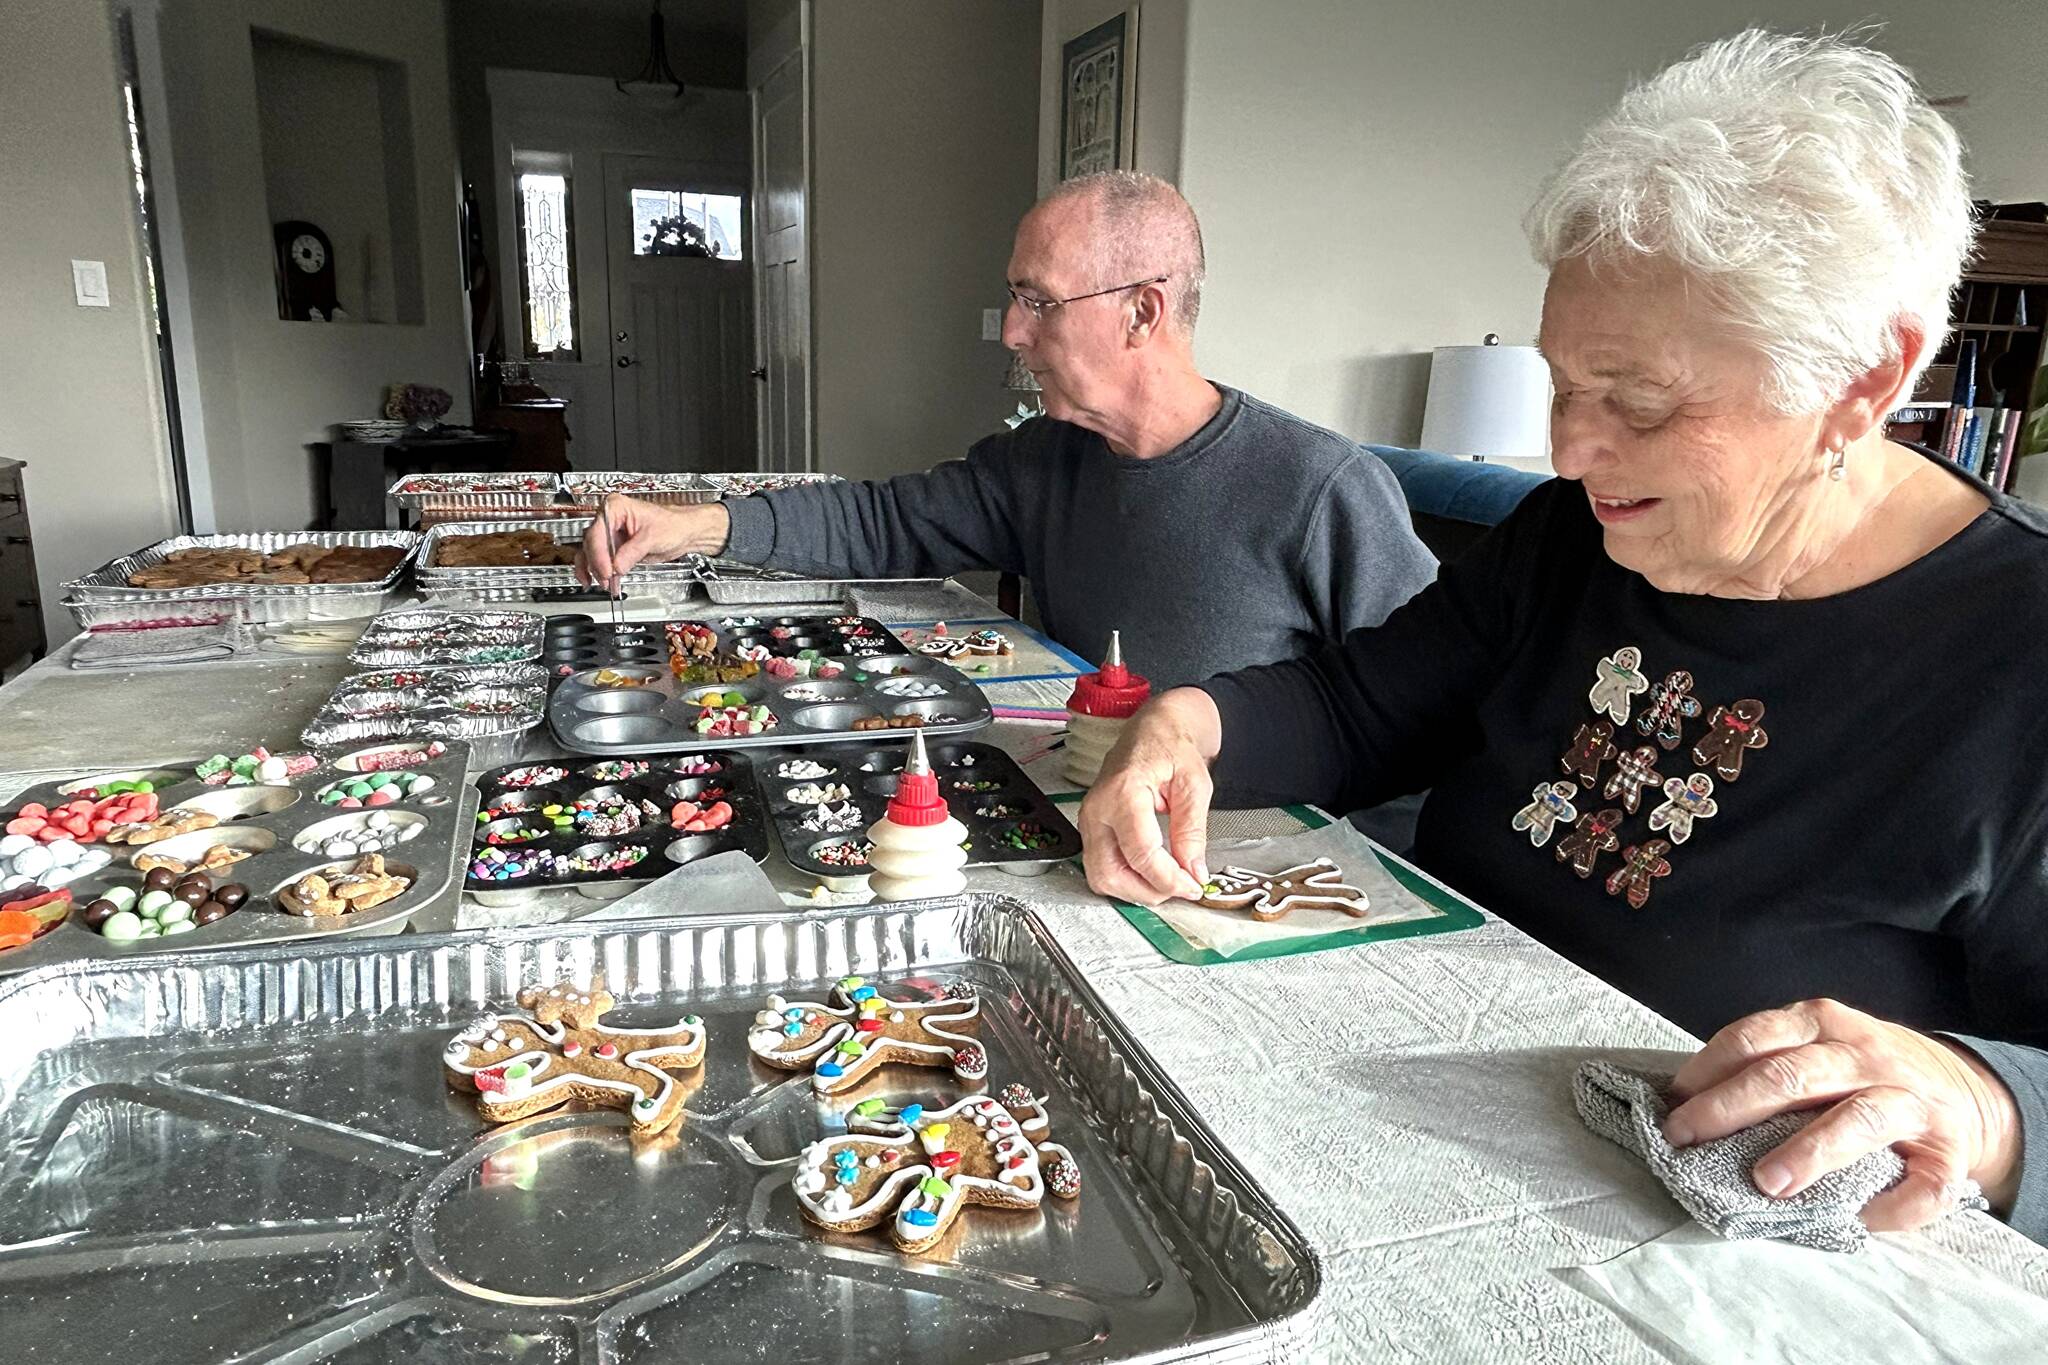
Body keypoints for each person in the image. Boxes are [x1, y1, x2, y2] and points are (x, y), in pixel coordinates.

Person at [1079, 30, 2045, 1244]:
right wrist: (1188, 723)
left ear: (1862, 378)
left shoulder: (2019, 652)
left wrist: (1981, 1103)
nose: (1570, 450)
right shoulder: (1568, 536)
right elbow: (1357, 709)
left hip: (1693, 1254)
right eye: (1563, 383)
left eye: (1638, 402)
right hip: (1397, 1127)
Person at [578, 171, 1435, 689]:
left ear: (1142, 313)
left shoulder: (1322, 491)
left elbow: (1425, 711)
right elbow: (886, 520)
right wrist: (697, 525)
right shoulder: (1045, 462)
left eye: (1039, 302)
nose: (1014, 333)